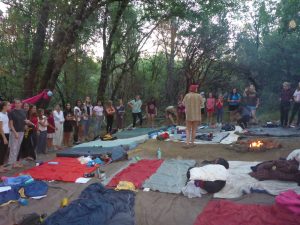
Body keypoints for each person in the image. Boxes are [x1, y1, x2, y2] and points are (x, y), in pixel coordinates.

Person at [8, 99, 31, 168]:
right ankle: (12, 163)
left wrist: (26, 124)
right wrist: (15, 133)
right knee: (13, 148)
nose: (17, 104)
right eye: (16, 103)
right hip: (14, 132)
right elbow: (11, 124)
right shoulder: (11, 112)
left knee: (17, 147)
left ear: (21, 104)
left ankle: (15, 162)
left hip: (22, 131)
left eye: (19, 103)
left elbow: (24, 121)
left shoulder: (24, 111)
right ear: (14, 104)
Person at [0, 101, 11, 172]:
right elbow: (0, 128)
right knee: (1, 150)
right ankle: (0, 168)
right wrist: (4, 138)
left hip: (7, 133)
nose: (10, 106)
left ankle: (2, 166)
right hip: (2, 134)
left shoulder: (6, 114)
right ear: (4, 106)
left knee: (4, 151)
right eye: (8, 105)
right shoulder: (0, 115)